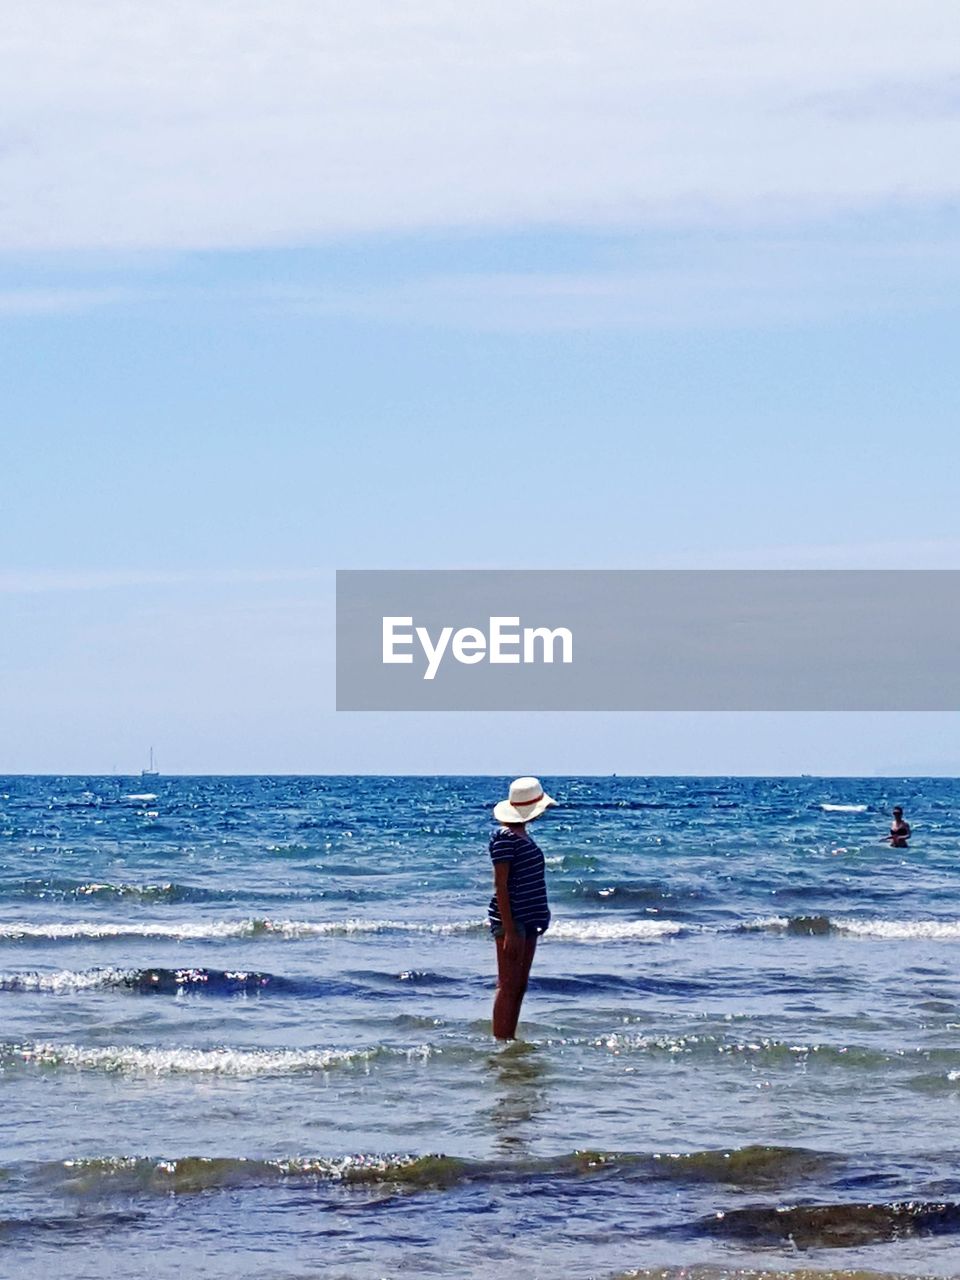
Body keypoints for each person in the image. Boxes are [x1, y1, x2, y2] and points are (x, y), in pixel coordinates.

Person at [488, 776, 556, 1040]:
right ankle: (502, 1041)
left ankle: (509, 1038)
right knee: (508, 985)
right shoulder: (505, 837)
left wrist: (542, 913)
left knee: (519, 985)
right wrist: (510, 929)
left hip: (528, 918)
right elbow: (501, 885)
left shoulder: (522, 836)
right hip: (512, 920)